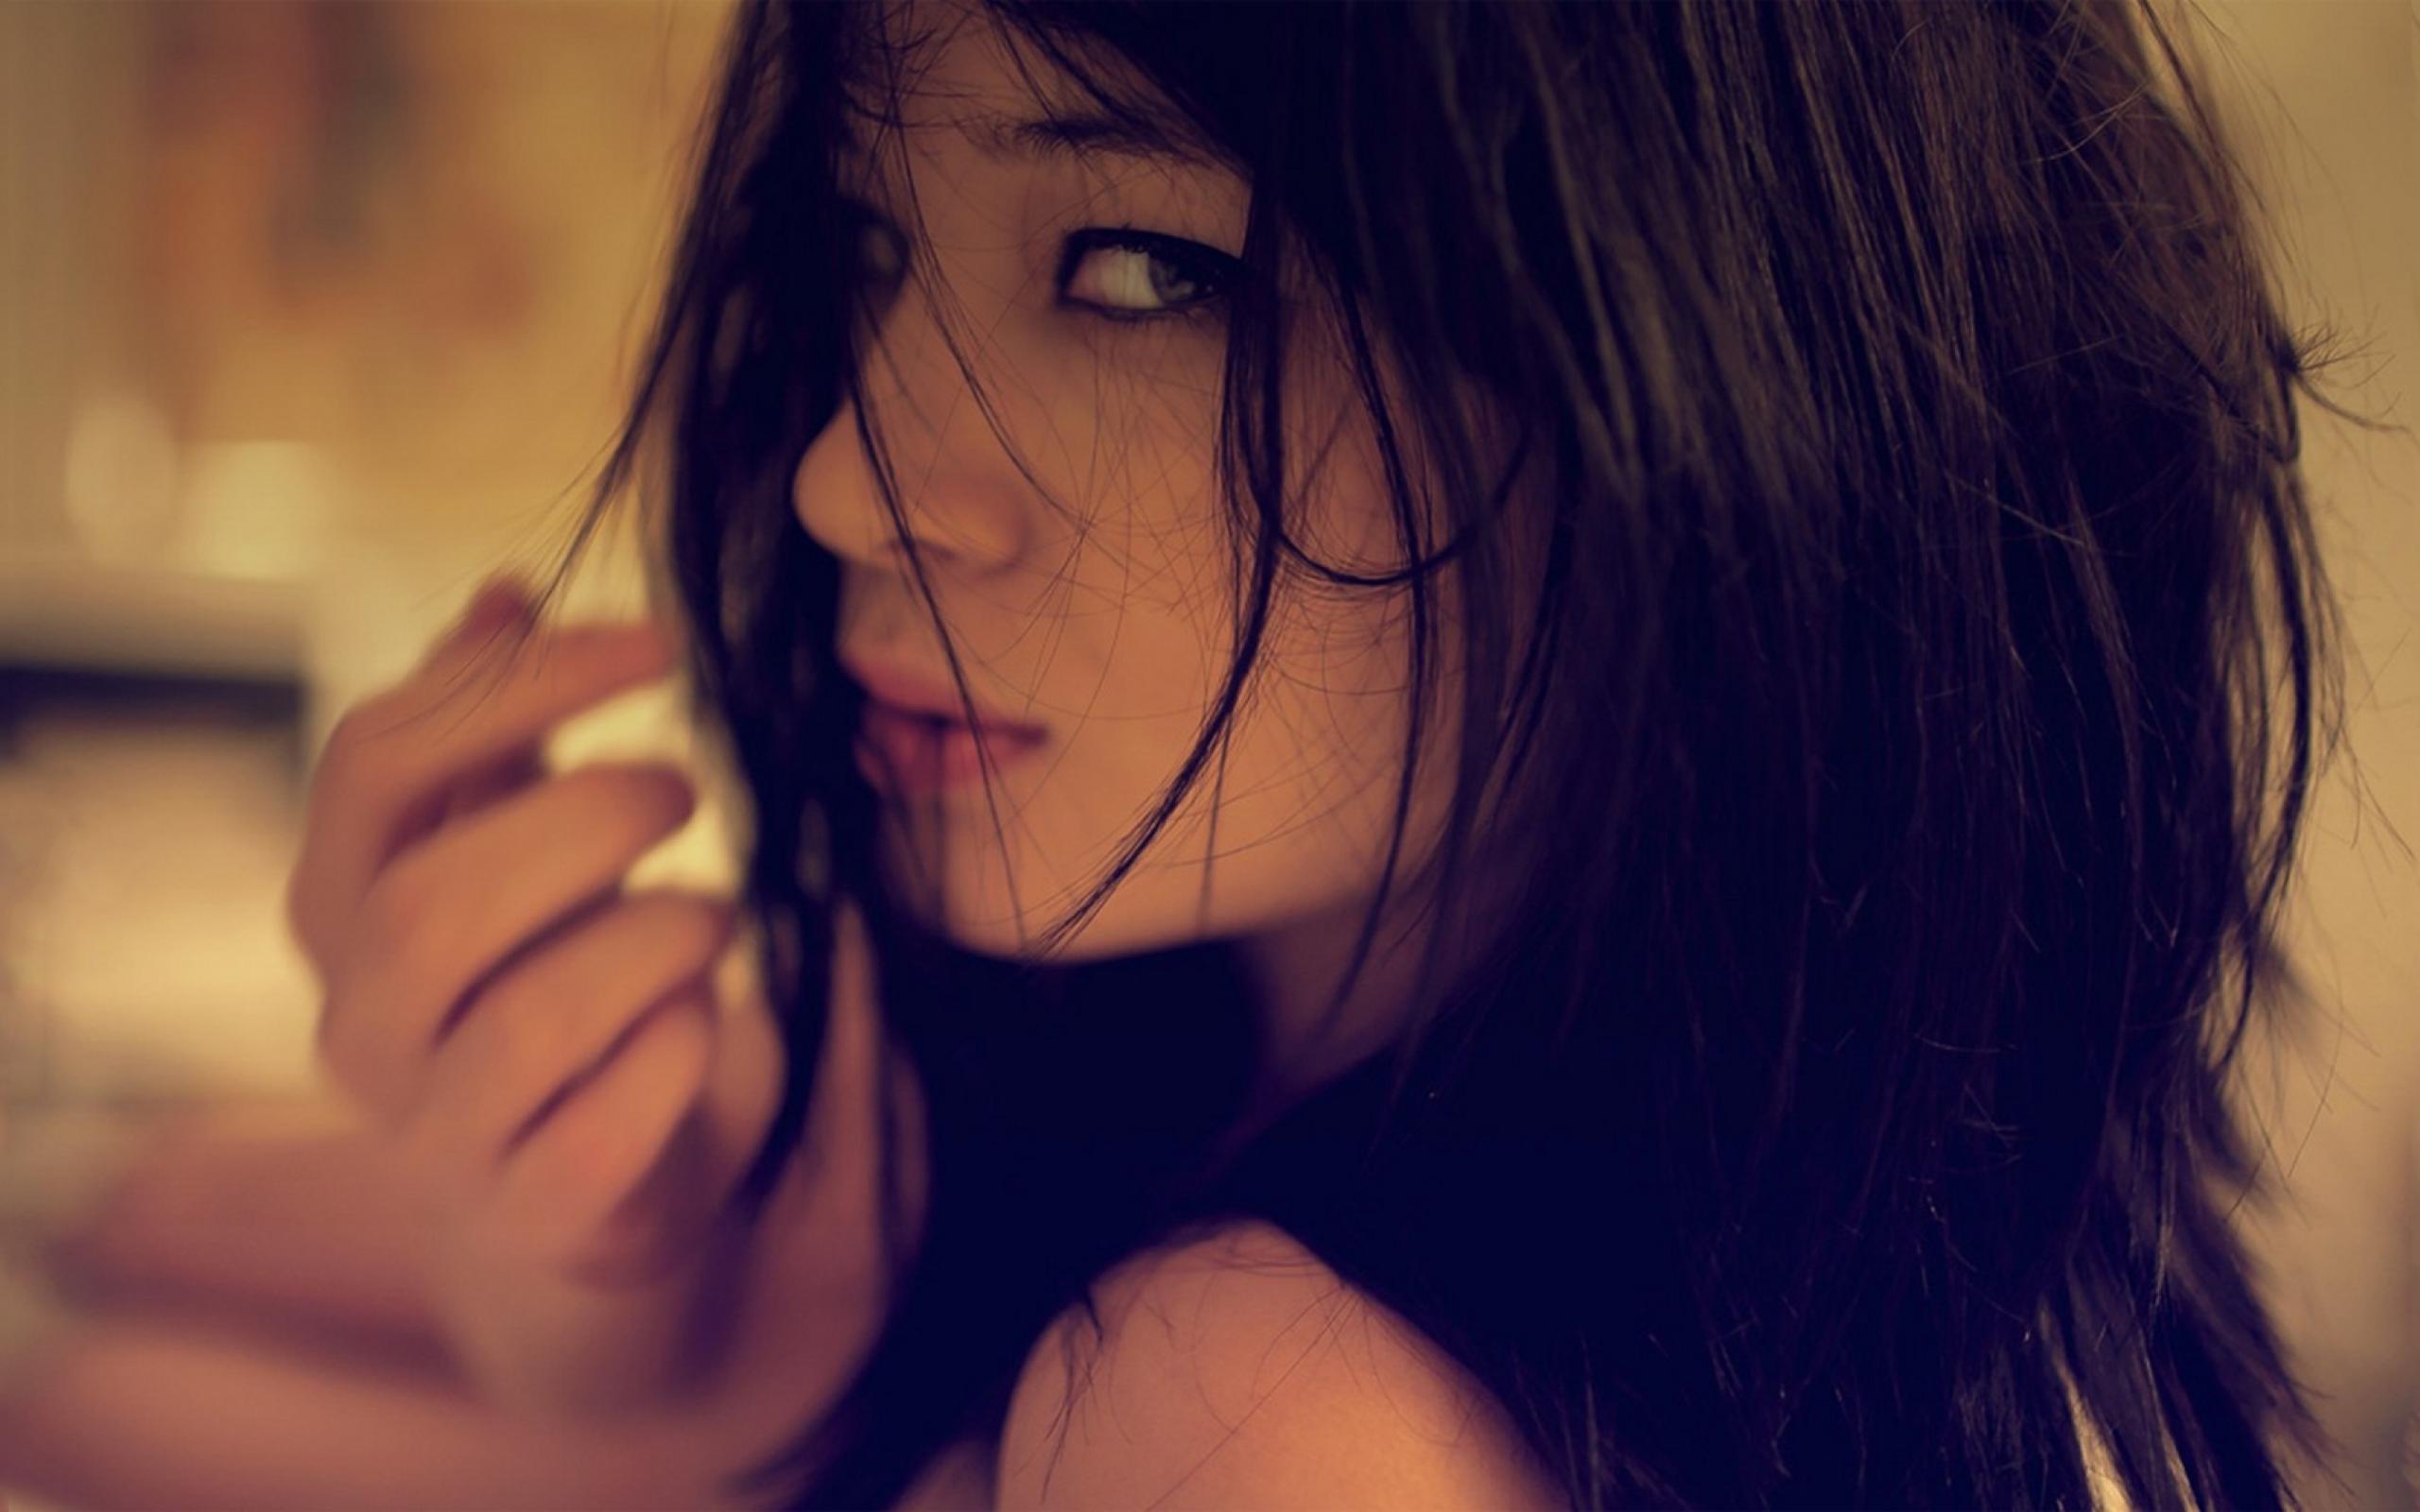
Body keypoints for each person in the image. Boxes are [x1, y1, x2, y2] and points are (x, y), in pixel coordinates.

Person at [0, 0, 2386, 1506]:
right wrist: (607, 1302)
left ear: (1722, 378)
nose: (841, 479)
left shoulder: (1248, 1408)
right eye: (863, 250)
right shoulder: (1286, 1072)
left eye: (1142, 266)